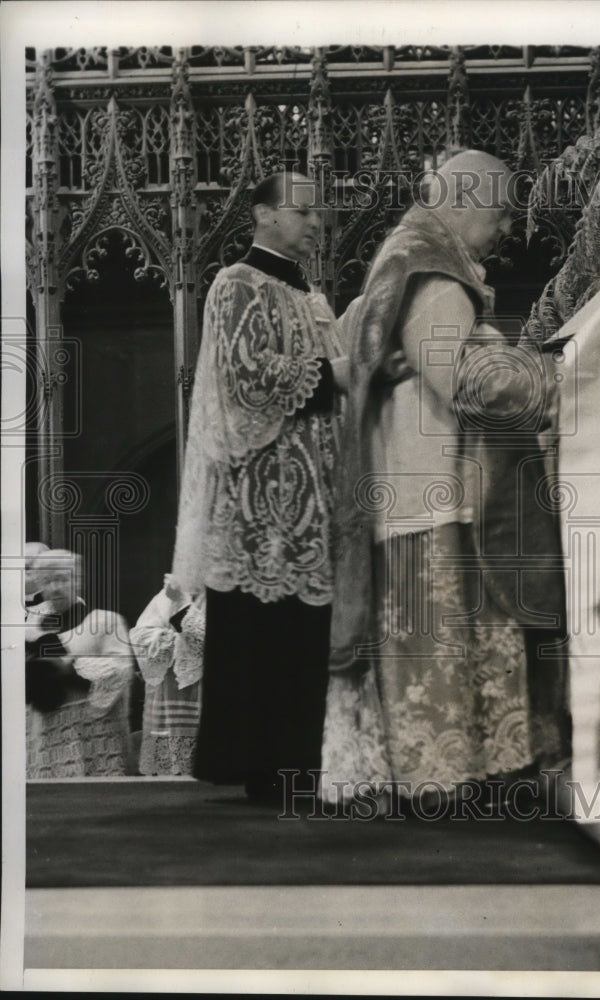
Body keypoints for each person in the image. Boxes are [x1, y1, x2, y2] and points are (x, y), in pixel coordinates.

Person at [323, 150, 568, 812]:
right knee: (443, 634)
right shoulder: (431, 275)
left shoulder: (398, 259)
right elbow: (458, 379)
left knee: (440, 635)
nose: (501, 231)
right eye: (495, 216)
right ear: (460, 204)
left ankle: (453, 770)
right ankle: (445, 777)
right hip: (436, 490)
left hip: (414, 483)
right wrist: (552, 377)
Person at [172, 170, 348, 804]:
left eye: (317, 213)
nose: (315, 223)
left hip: (313, 492)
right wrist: (338, 374)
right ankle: (264, 766)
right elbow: (248, 379)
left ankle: (296, 763)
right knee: (269, 630)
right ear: (264, 214)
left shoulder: (310, 294)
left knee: (300, 633)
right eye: (302, 211)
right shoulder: (238, 283)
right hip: (262, 497)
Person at [25, 548, 135, 777]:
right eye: (46, 581)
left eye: (61, 579)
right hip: (48, 736)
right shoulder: (32, 630)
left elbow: (121, 670)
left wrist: (64, 667)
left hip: (92, 735)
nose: (54, 588)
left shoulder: (104, 621)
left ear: (77, 580)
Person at [129, 574, 205, 776]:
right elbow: (140, 636)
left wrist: (181, 608)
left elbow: (207, 639)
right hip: (169, 692)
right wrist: (174, 640)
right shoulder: (167, 594)